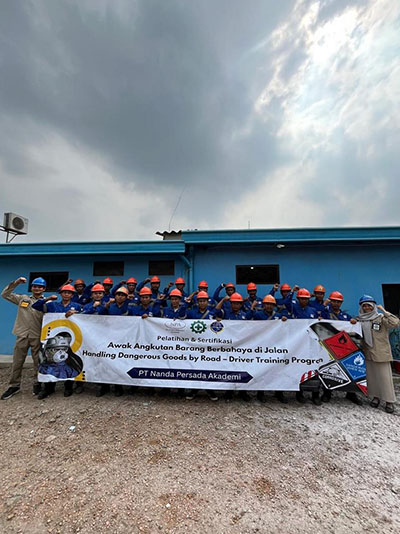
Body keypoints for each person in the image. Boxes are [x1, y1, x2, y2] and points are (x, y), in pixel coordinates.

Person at [32, 284, 83, 399]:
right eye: (64, 292)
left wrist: (77, 314)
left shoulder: (77, 306)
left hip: (69, 339)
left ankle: (68, 387)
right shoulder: (52, 305)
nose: (66, 294)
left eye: (69, 293)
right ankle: (49, 388)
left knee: (68, 362)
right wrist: (48, 298)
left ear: (72, 295)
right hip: (53, 340)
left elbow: (85, 317)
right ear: (61, 294)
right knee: (50, 362)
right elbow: (36, 306)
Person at [1, 276, 47, 400]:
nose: (37, 288)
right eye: (35, 286)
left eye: (40, 287)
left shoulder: (46, 302)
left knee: (38, 362)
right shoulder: (22, 299)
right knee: (17, 361)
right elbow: (5, 294)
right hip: (22, 335)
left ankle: (37, 383)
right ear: (31, 287)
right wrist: (16, 282)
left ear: (44, 289)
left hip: (37, 335)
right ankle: (14, 386)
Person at [355, 295, 399, 414]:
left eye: (369, 305)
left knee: (385, 378)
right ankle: (376, 397)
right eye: (364, 306)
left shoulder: (381, 318)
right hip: (368, 353)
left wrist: (384, 311)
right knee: (372, 378)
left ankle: (389, 401)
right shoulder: (360, 320)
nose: (367, 308)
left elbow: (395, 323)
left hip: (381, 353)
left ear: (373, 306)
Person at [320, 291, 362, 405]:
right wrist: (324, 306)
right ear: (330, 301)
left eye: (338, 302)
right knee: (329, 369)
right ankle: (327, 392)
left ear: (341, 303)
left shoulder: (345, 316)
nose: (336, 304)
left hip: (344, 347)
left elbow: (352, 328)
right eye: (334, 301)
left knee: (349, 368)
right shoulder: (326, 314)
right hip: (329, 346)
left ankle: (351, 393)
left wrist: (354, 322)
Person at [247, 295, 289, 404]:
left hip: (276, 346)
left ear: (274, 306)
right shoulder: (258, 314)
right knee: (262, 370)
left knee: (278, 370)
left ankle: (279, 392)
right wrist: (252, 308)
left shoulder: (278, 316)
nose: (269, 306)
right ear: (264, 305)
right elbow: (247, 319)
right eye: (267, 304)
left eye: (271, 304)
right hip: (262, 346)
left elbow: (290, 324)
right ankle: (260, 393)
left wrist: (285, 319)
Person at [283, 288, 321, 405]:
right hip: (298, 344)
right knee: (299, 368)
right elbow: (286, 302)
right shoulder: (294, 308)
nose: (304, 301)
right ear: (298, 299)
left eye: (306, 299)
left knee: (314, 368)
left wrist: (320, 320)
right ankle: (299, 393)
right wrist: (292, 292)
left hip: (311, 344)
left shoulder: (313, 310)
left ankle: (315, 395)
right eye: (301, 299)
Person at [215, 293, 250, 402]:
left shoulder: (244, 315)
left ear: (241, 304)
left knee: (242, 368)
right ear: (231, 304)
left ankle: (243, 391)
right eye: (234, 303)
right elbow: (216, 311)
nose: (236, 305)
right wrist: (222, 301)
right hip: (229, 346)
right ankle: (229, 391)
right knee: (230, 368)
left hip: (242, 347)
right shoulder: (225, 313)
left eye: (238, 303)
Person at [185, 291, 218, 401]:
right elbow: (181, 315)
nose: (202, 303)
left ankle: (210, 390)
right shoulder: (192, 313)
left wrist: (219, 320)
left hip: (208, 346)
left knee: (208, 367)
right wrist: (186, 303)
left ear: (207, 302)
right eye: (200, 301)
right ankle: (194, 390)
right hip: (194, 345)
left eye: (204, 301)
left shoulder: (212, 313)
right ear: (197, 302)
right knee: (195, 367)